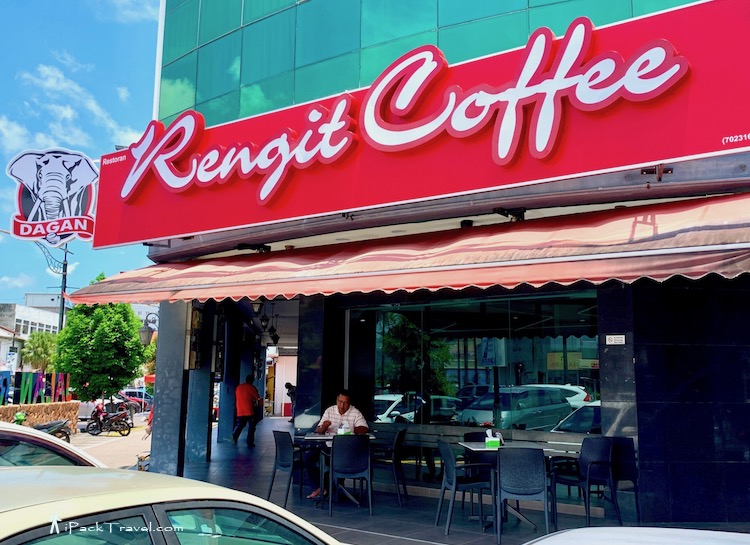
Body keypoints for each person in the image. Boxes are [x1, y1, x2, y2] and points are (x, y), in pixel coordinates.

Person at [305, 389, 368, 499]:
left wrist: (352, 429)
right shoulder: (330, 411)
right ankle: (319, 487)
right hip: (329, 448)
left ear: (349, 403)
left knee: (335, 463)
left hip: (348, 452)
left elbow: (364, 428)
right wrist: (324, 426)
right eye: (340, 402)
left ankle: (326, 488)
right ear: (336, 400)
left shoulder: (355, 413)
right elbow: (318, 430)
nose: (342, 405)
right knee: (309, 458)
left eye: (345, 403)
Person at [232, 374, 261, 447]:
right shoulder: (252, 387)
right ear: (252, 380)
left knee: (240, 425)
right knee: (252, 426)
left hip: (240, 410)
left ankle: (234, 437)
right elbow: (257, 398)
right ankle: (250, 442)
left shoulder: (239, 387)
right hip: (249, 410)